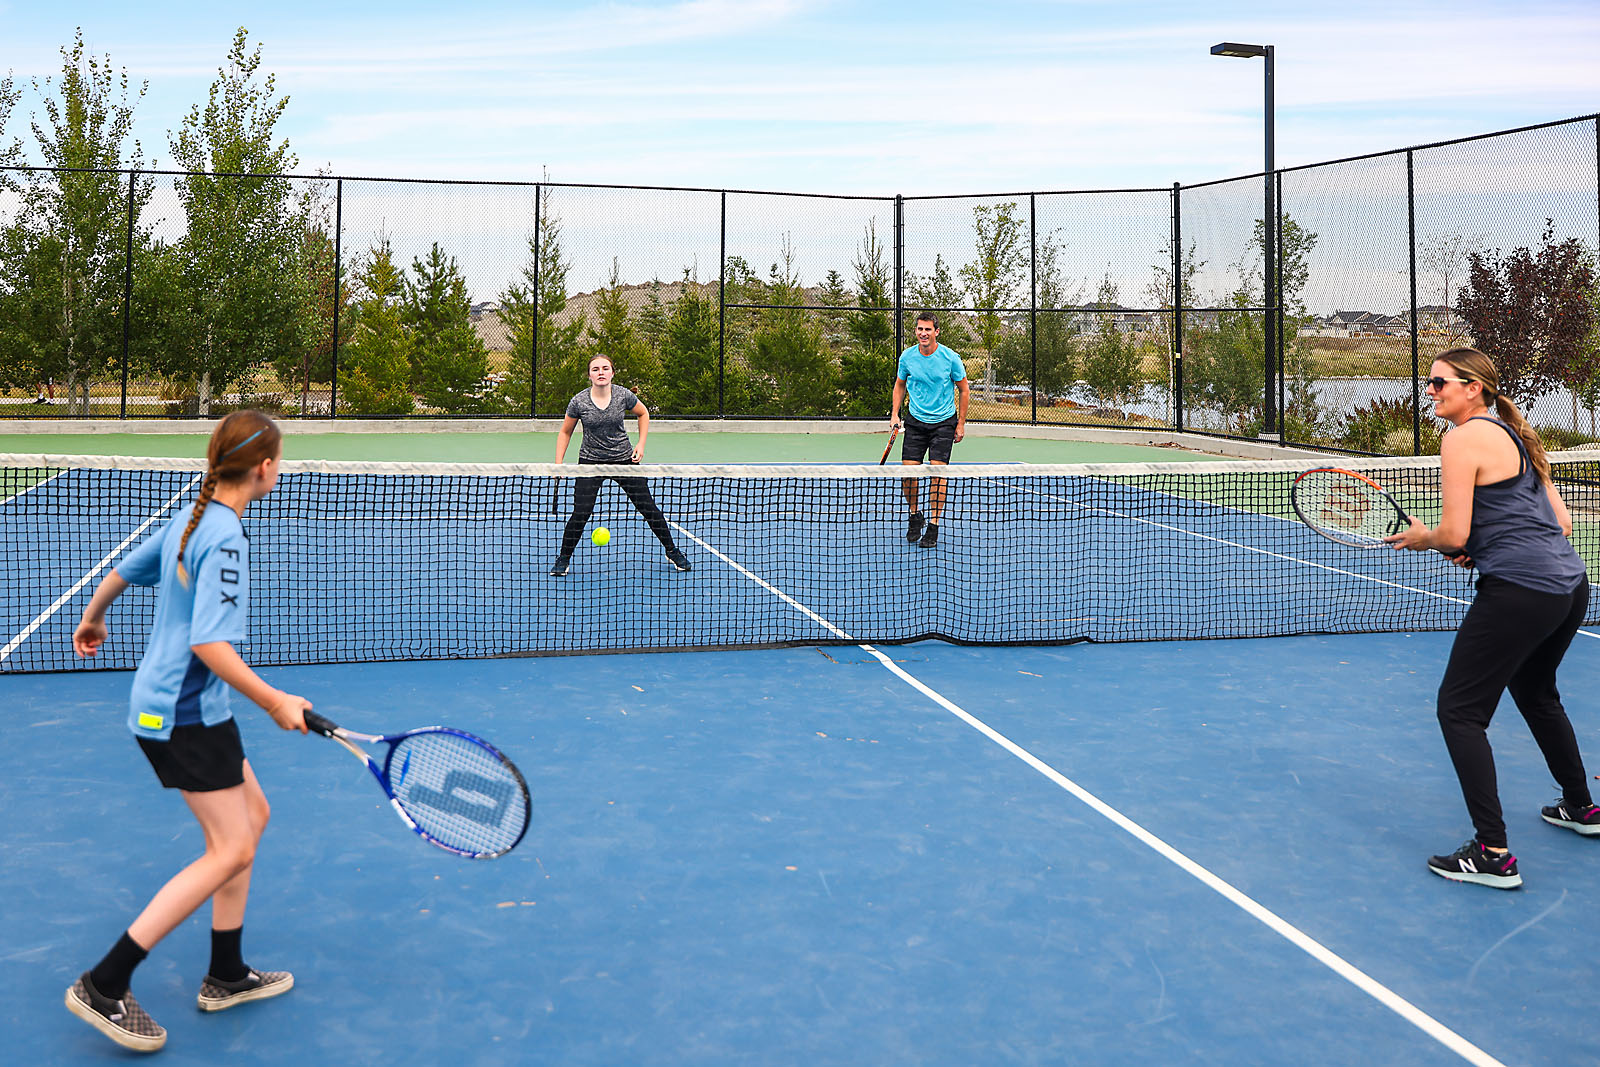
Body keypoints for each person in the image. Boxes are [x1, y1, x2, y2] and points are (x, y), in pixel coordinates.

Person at [66, 411, 312, 1051]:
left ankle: (226, 974)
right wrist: (276, 701)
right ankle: (106, 981)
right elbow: (209, 642)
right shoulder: (224, 535)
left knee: (251, 818)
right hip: (179, 713)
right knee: (229, 847)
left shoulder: (193, 513)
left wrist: (93, 619)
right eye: (279, 460)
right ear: (264, 468)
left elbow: (123, 570)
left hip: (191, 709)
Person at [1385, 347, 1598, 889]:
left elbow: (1453, 534)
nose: (1430, 392)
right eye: (1428, 384)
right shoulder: (1512, 433)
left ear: (1472, 387)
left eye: (1439, 383)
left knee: (1459, 711)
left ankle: (1492, 853)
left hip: (1522, 591)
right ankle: (1581, 807)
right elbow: (1562, 524)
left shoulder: (1460, 438)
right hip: (1570, 586)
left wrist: (1426, 539)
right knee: (1535, 690)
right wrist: (1477, 546)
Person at [550, 354, 691, 577]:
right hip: (590, 461)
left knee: (648, 508)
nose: (601, 372)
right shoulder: (579, 401)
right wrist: (558, 465)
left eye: (605, 368)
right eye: (595, 369)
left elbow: (643, 413)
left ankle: (672, 551)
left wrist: (641, 445)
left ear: (612, 372)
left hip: (624, 460)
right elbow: (565, 431)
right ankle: (564, 558)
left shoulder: (623, 395)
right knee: (581, 513)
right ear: (589, 375)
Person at [889, 311, 970, 548]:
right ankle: (915, 516)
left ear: (936, 332)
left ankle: (933, 525)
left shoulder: (950, 358)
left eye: (927, 329)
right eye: (919, 329)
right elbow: (900, 384)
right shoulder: (907, 357)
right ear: (916, 331)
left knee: (938, 474)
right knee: (908, 475)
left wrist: (961, 423)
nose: (923, 333)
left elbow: (964, 390)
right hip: (915, 422)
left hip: (944, 422)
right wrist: (895, 414)